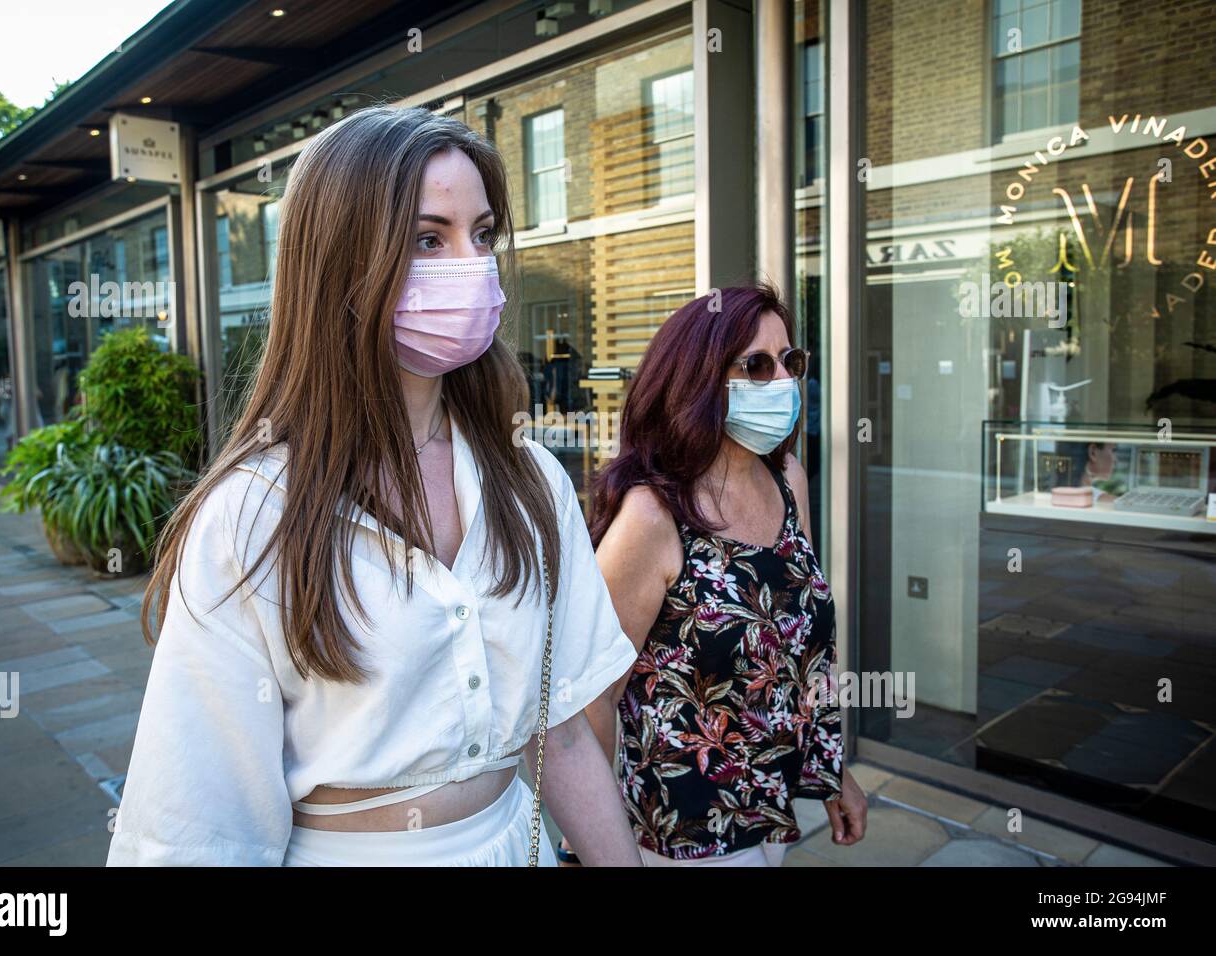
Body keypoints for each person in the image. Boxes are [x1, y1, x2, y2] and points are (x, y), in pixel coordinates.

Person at [106, 106, 642, 867]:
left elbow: (558, 733)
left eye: (482, 235)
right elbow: (198, 824)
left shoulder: (531, 481)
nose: (473, 265)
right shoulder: (253, 516)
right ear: (342, 264)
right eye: (430, 239)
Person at [577, 284, 867, 865]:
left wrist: (831, 772)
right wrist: (589, 845)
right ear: (698, 379)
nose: (781, 379)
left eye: (790, 361)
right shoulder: (653, 515)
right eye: (755, 365)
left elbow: (802, 651)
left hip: (769, 806)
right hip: (679, 830)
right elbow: (591, 699)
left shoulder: (787, 477)